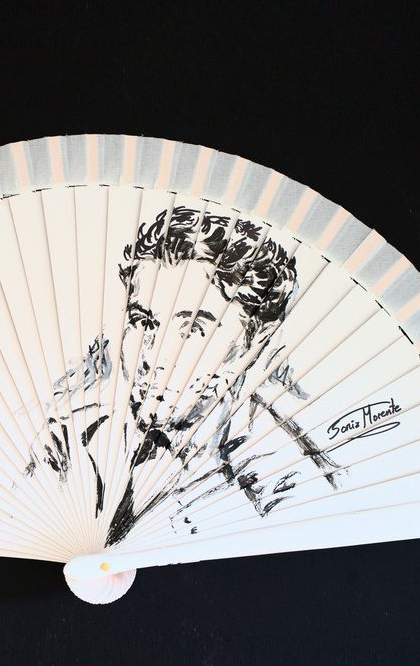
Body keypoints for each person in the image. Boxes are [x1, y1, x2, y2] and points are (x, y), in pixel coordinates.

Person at [23, 204, 340, 547]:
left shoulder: (283, 481)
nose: (152, 354)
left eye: (191, 328)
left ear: (253, 340)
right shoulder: (68, 438)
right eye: (142, 321)